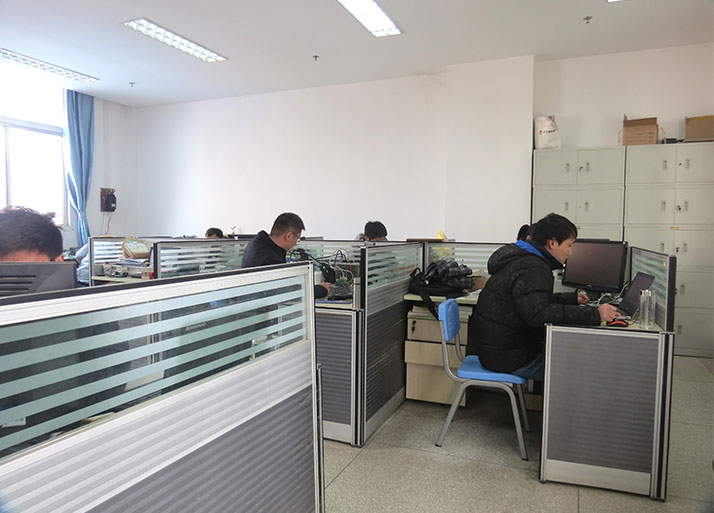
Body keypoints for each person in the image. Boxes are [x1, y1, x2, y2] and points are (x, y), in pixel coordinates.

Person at [467, 213, 619, 381]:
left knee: (570, 353)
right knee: (581, 367)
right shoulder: (532, 267)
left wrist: (571, 299)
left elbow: (532, 302)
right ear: (552, 243)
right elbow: (538, 314)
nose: (570, 252)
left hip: (497, 351)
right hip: (509, 358)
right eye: (569, 245)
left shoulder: (522, 258)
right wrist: (595, 314)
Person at [242, 212, 330, 298]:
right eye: (297, 238)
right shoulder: (270, 259)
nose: (296, 243)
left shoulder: (257, 244)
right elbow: (287, 291)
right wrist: (320, 290)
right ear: (288, 236)